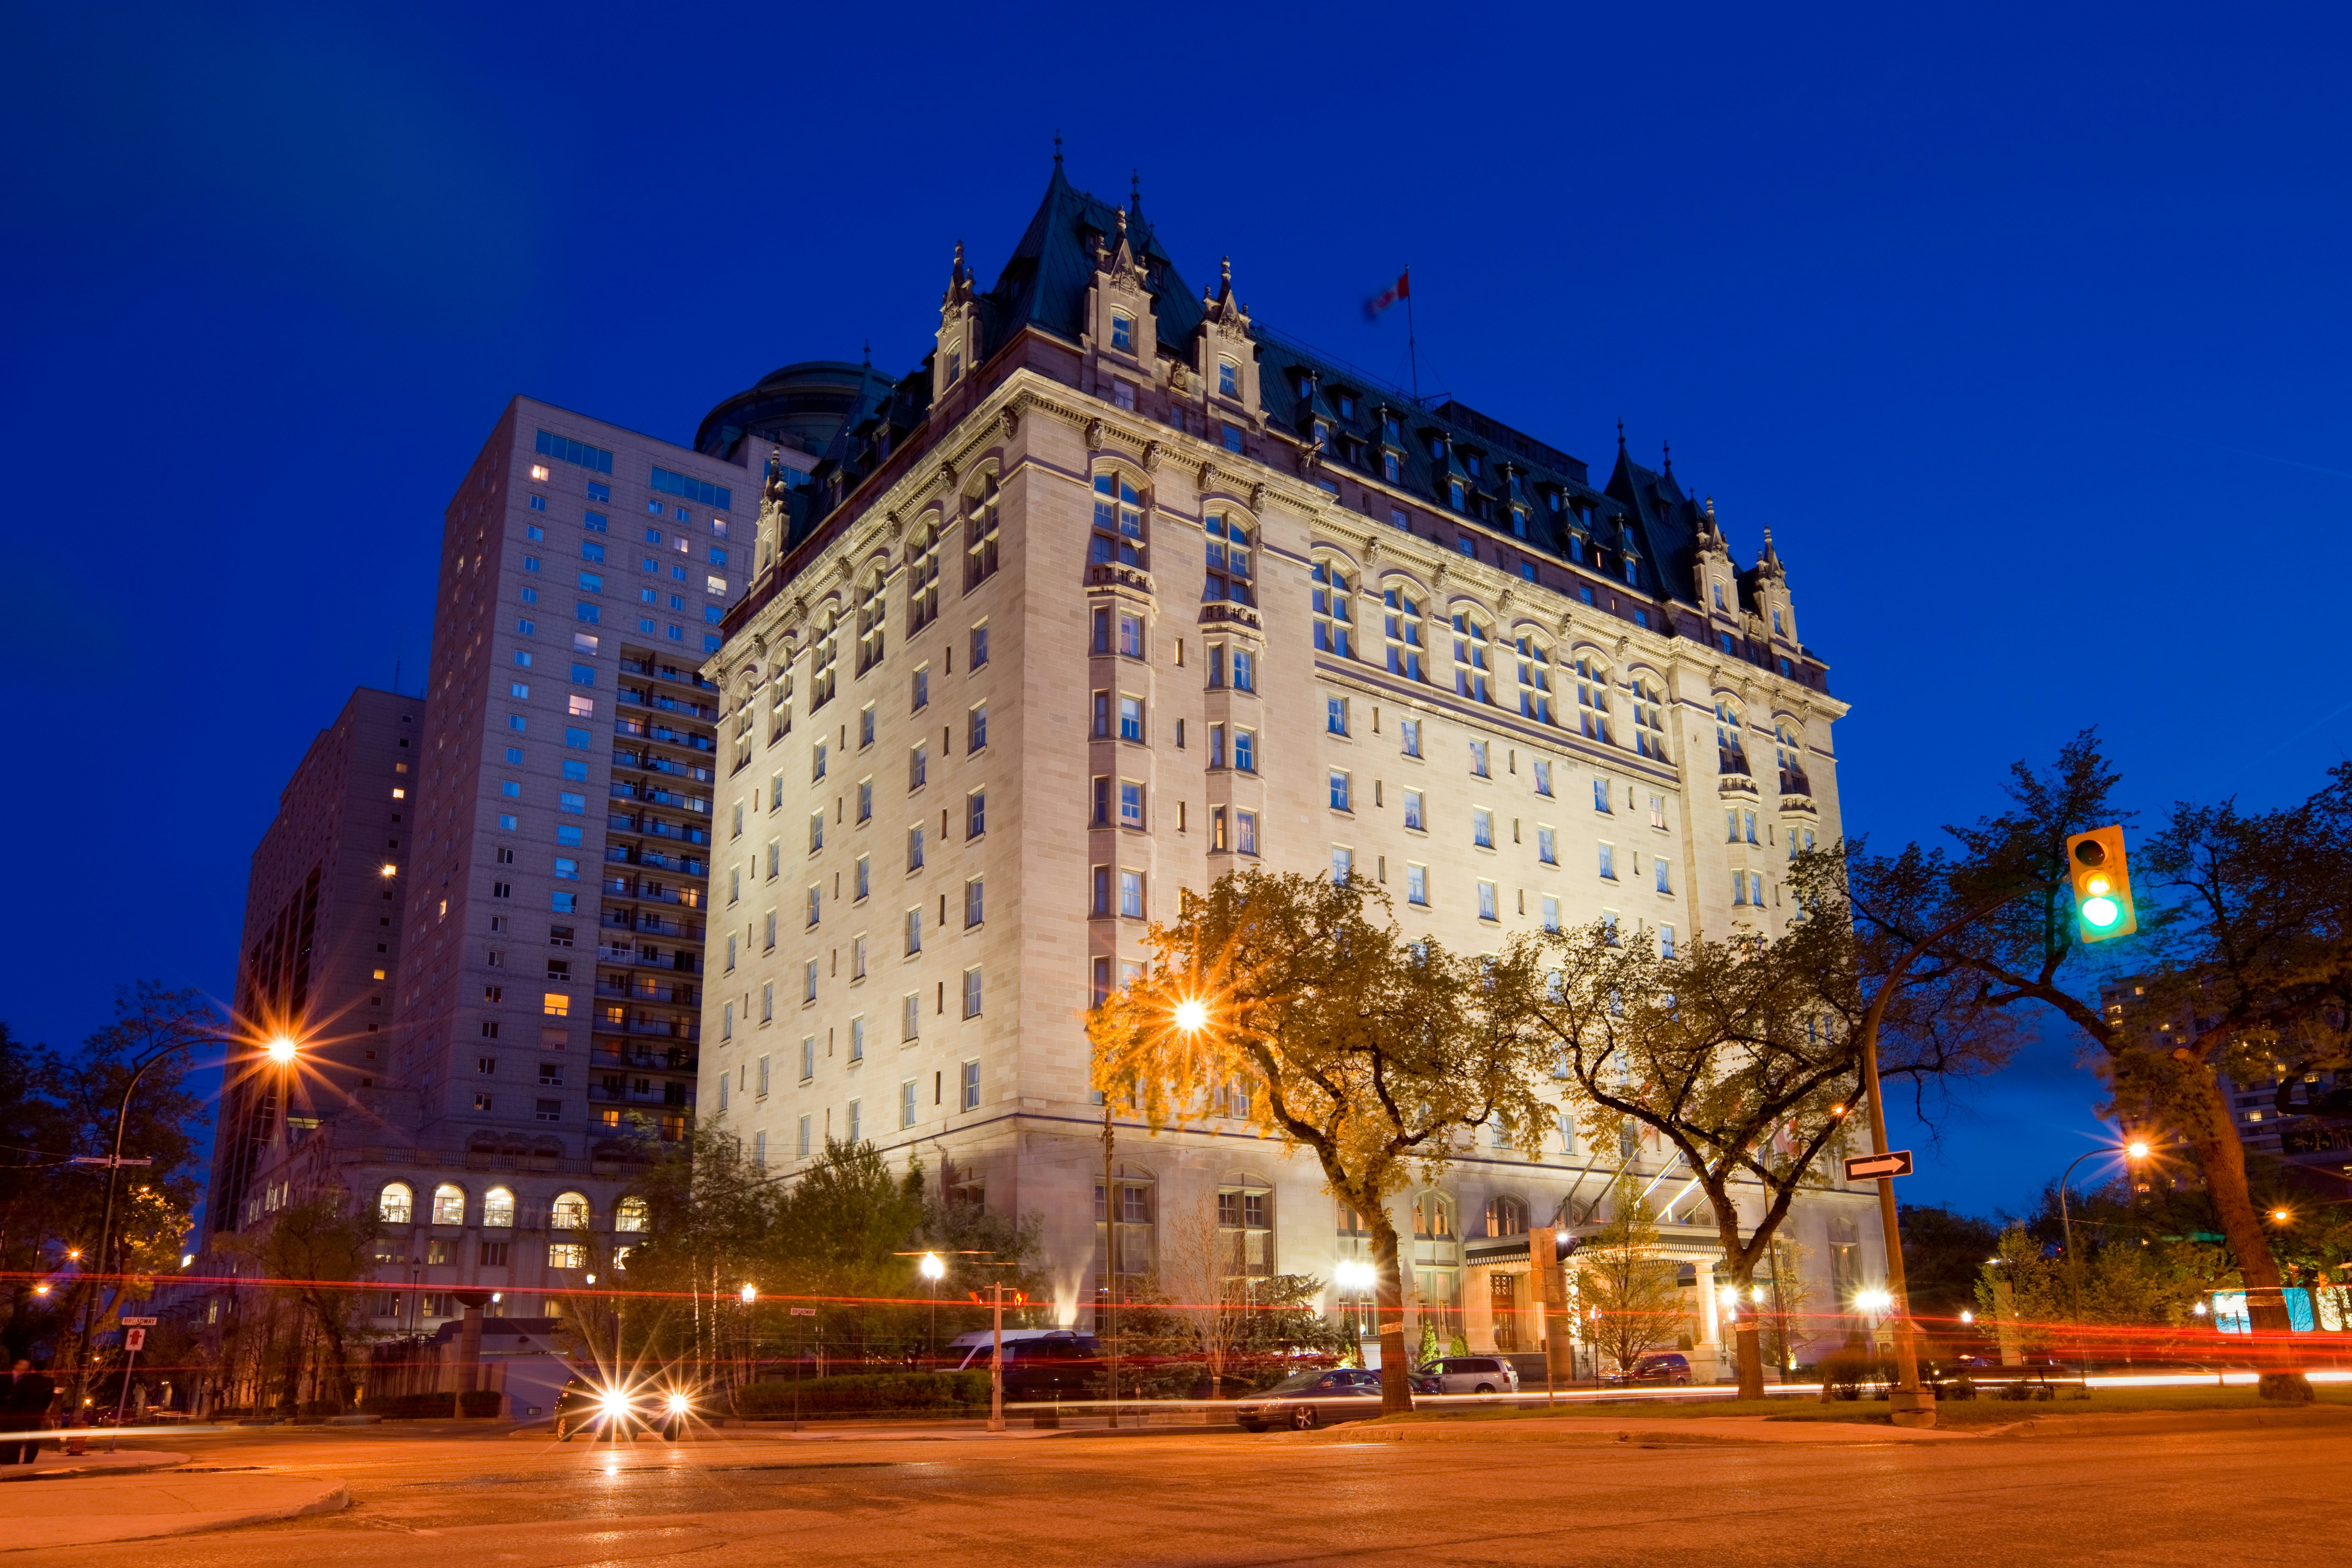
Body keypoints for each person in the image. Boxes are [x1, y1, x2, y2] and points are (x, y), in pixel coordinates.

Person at [0, 1361, 55, 1465]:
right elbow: (49, 1399)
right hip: (37, 1414)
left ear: (32, 1368)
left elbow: (16, 1399)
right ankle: (29, 1459)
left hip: (21, 1414)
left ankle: (13, 1459)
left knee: (17, 1438)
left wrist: (15, 1410)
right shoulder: (49, 1381)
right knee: (34, 1439)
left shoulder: (24, 1381)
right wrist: (42, 1410)